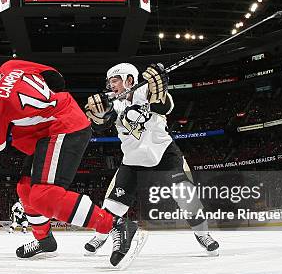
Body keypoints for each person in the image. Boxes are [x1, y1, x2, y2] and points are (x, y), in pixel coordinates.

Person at [0, 55, 145, 266]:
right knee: (25, 188)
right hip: (56, 124)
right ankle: (44, 241)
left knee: (42, 195)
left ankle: (115, 225)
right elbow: (55, 77)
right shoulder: (11, 66)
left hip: (62, 128)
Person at [83, 63, 219, 256]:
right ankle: (101, 236)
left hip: (164, 154)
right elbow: (99, 127)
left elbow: (165, 106)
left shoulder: (148, 91)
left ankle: (203, 234)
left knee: (187, 197)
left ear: (129, 80)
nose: (111, 85)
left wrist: (160, 88)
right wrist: (97, 116)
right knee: (113, 205)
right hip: (133, 159)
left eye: (115, 80)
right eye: (110, 82)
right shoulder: (112, 103)